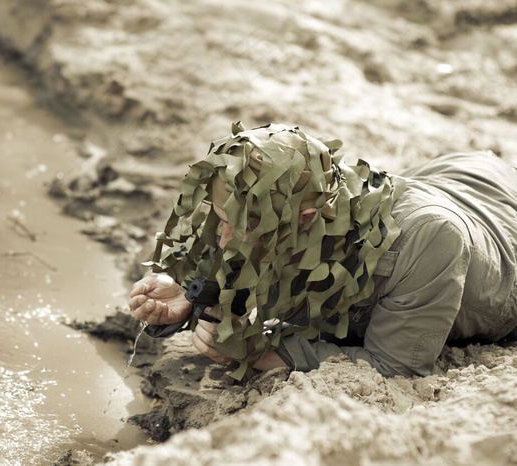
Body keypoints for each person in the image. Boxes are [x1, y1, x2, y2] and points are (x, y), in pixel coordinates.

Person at [128, 122, 517, 380]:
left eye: (243, 226)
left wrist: (263, 353)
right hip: (455, 170)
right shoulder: (283, 202)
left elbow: (397, 367)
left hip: (499, 214)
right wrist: (187, 293)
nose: (225, 239)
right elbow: (237, 250)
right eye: (220, 219)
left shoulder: (429, 240)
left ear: (306, 218)